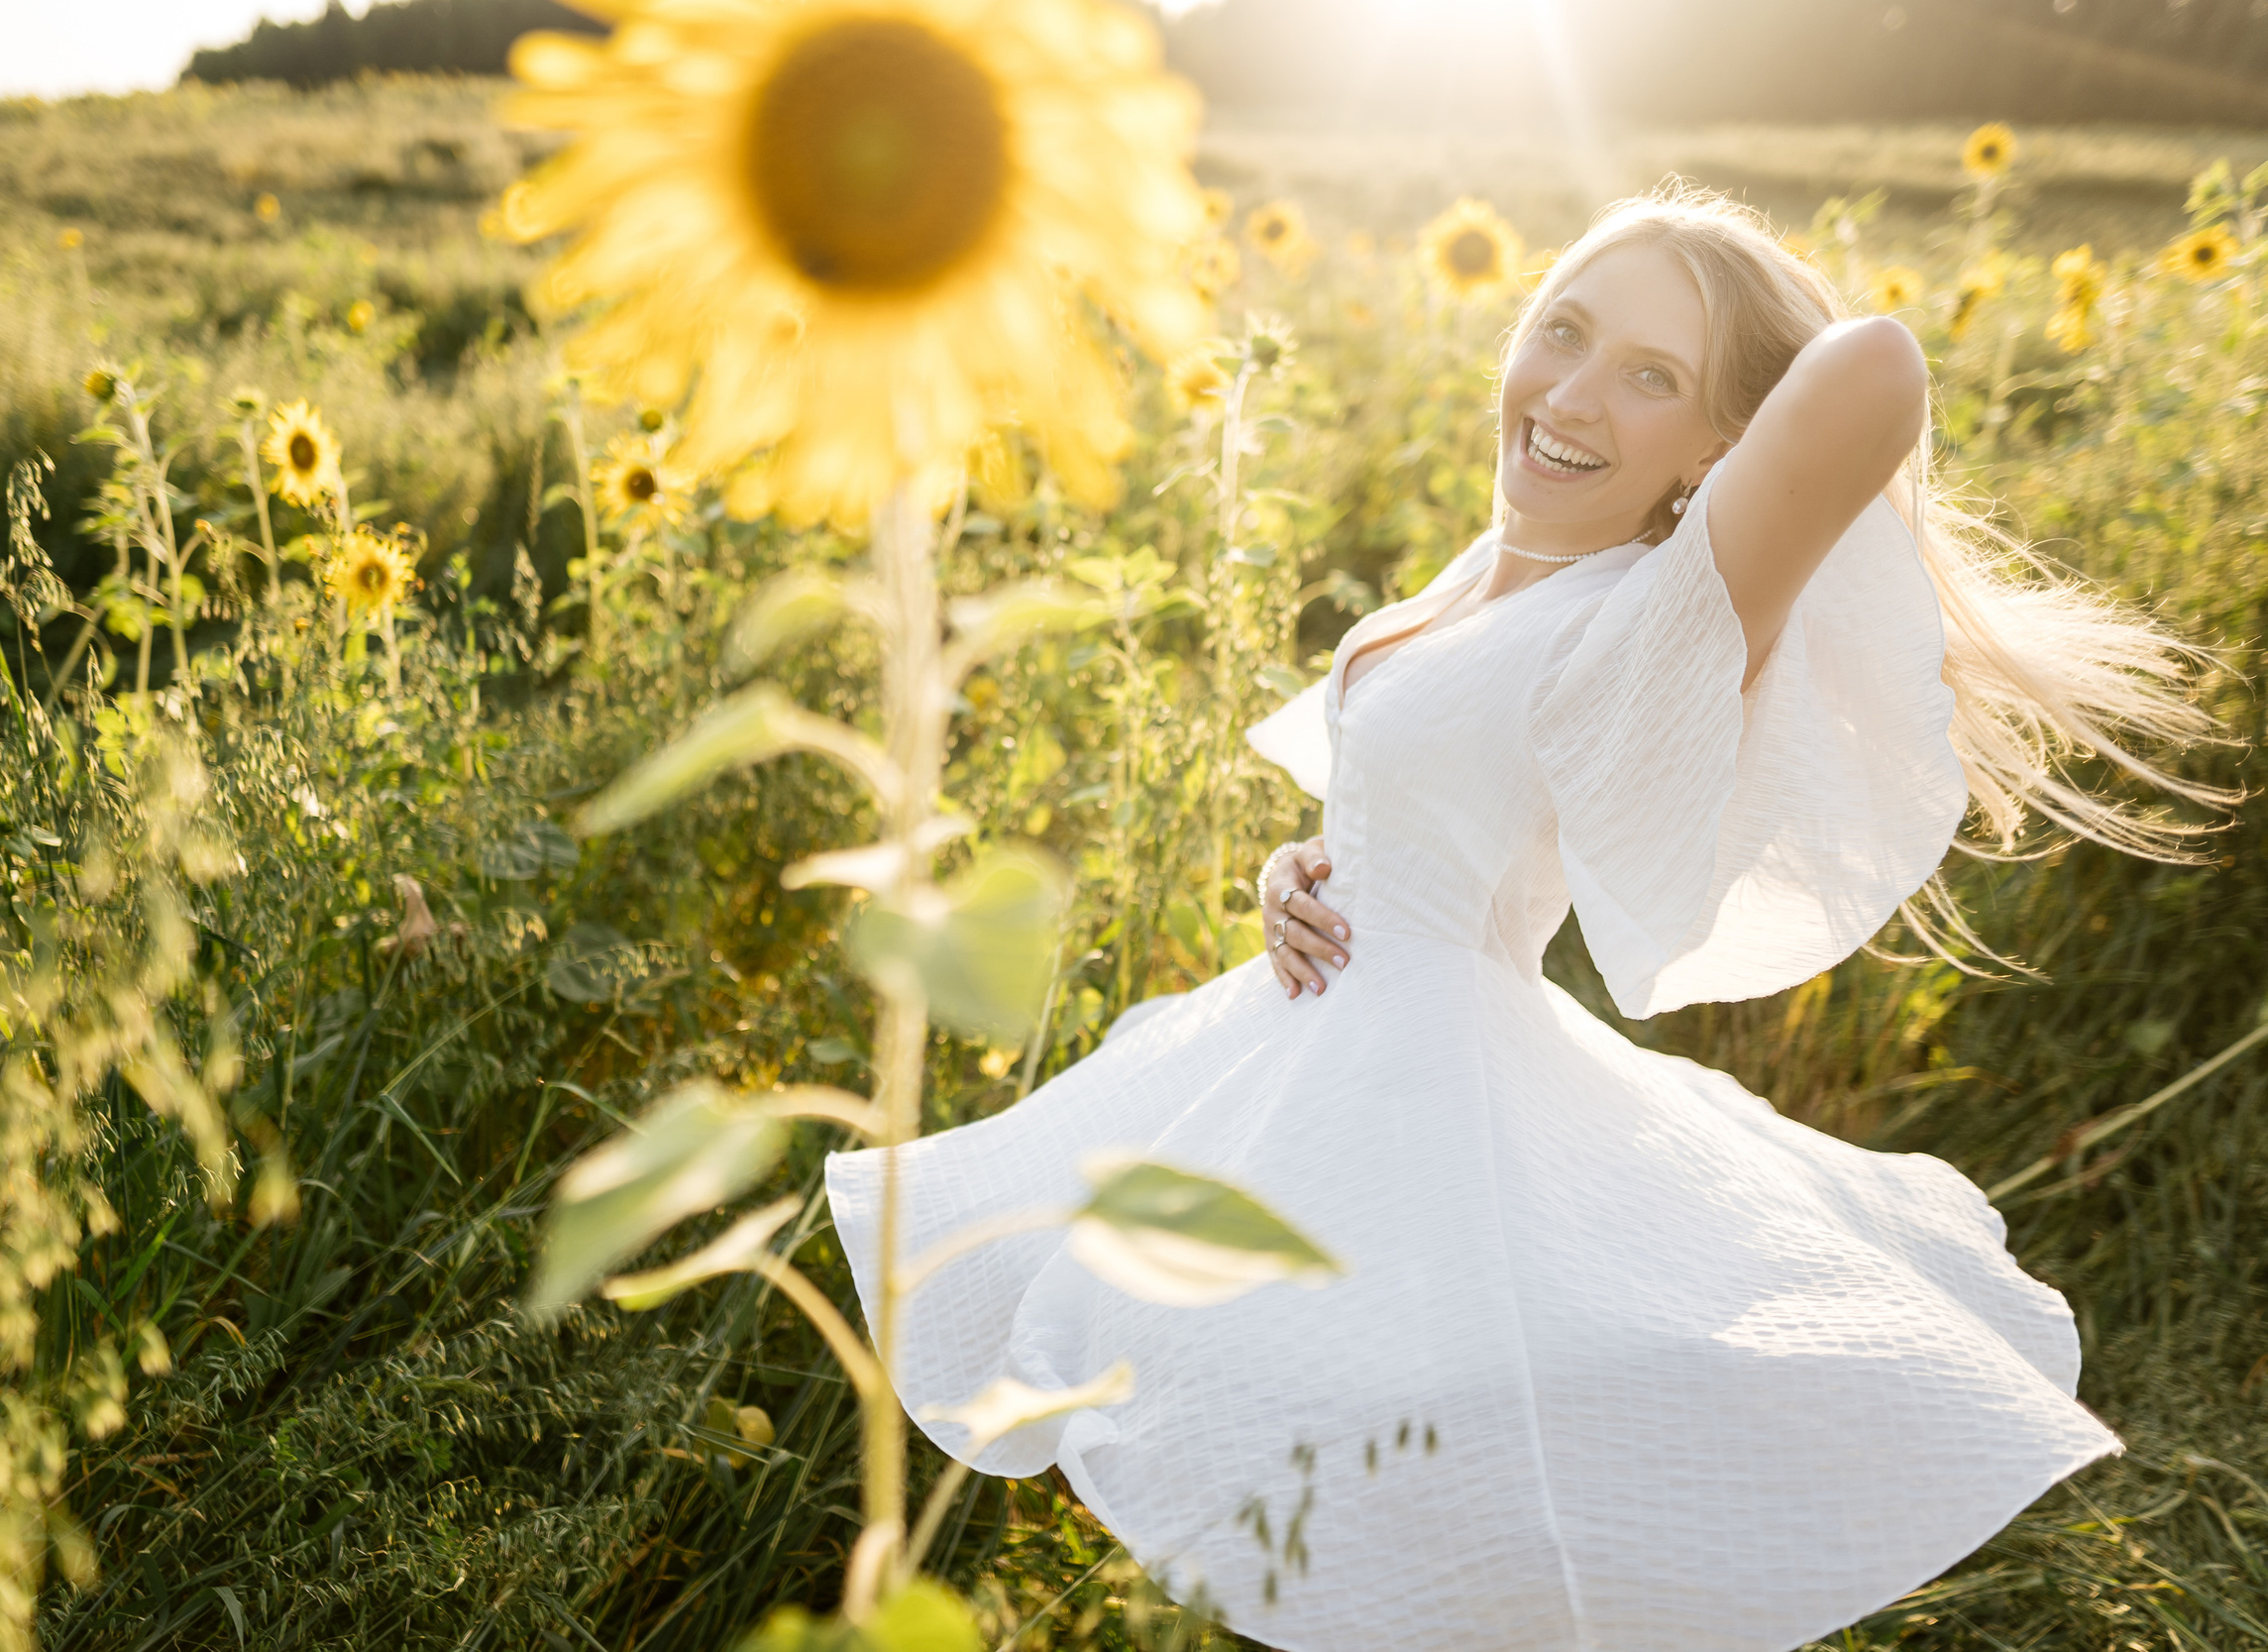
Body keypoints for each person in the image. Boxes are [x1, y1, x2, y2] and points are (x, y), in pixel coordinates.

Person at [825, 187, 2222, 1652]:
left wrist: (1732, 305)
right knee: (1227, 1424)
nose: (1570, 395)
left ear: (1718, 444)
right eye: (1562, 330)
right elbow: (1432, 787)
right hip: (1303, 1044)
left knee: (1375, 1471)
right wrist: (1308, 867)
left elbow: (1871, 365)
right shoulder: (1492, 575)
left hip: (1427, 1090)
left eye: (1652, 376)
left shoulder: (1658, 615)